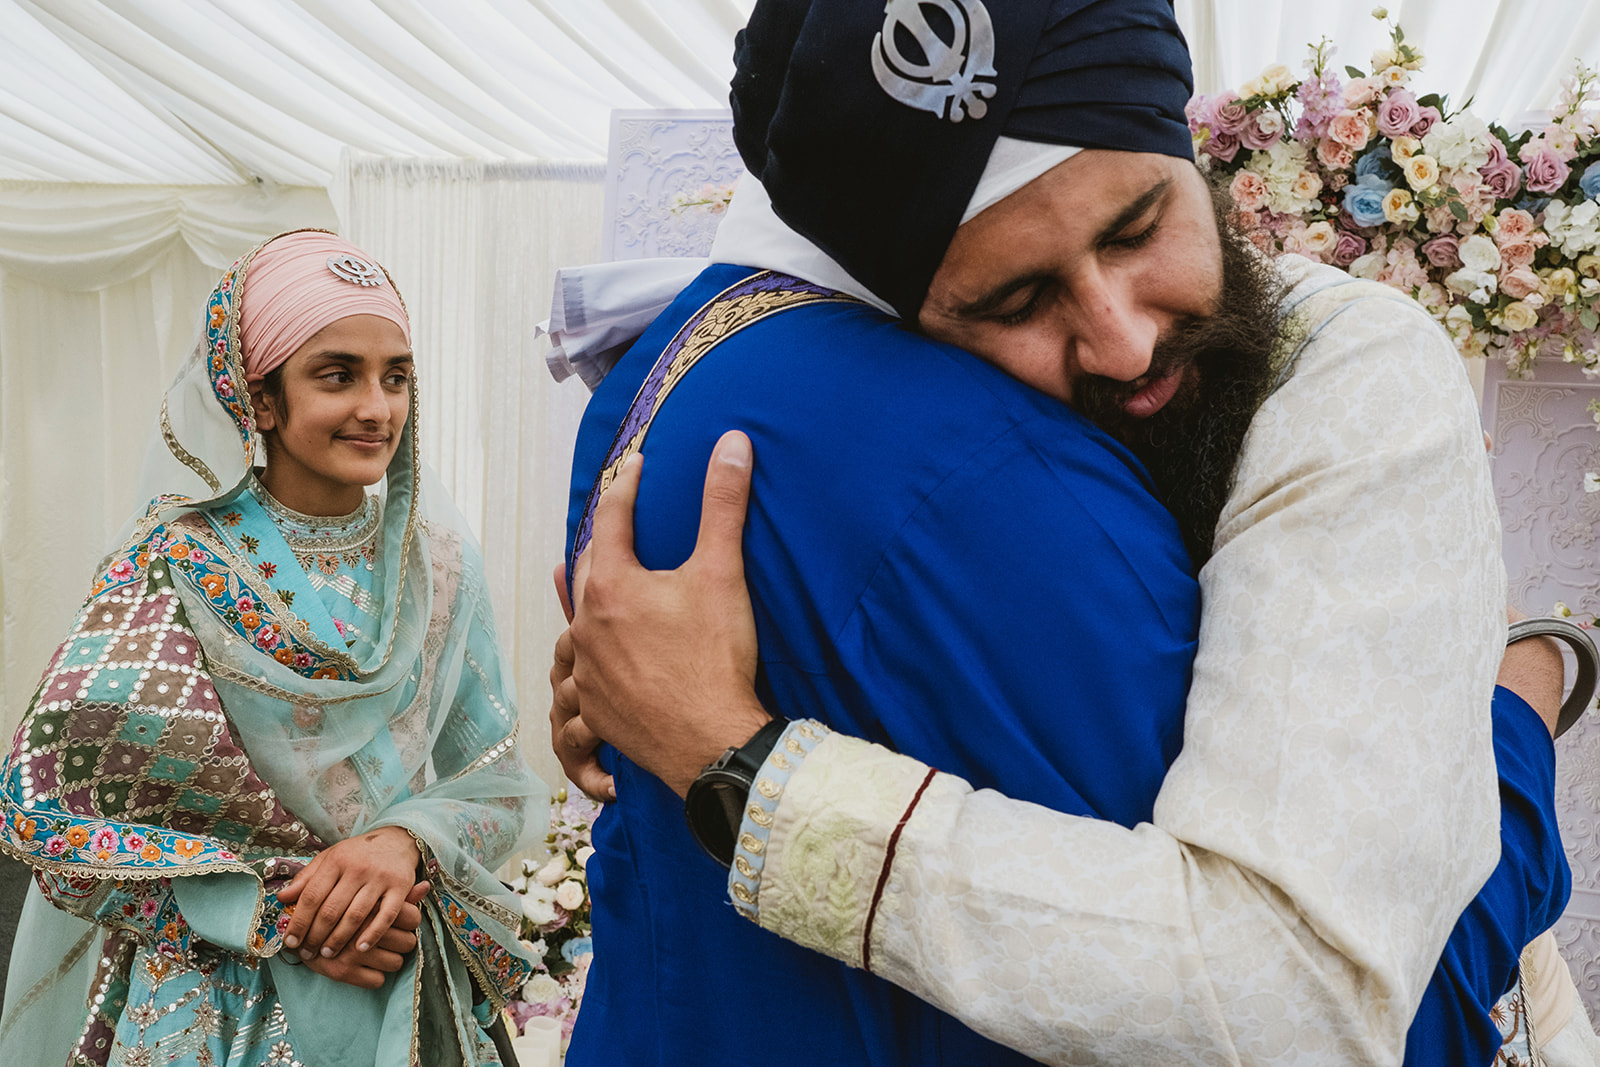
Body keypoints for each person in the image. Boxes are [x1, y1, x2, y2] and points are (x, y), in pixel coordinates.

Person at [547, 2, 1582, 1065]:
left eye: (1137, 227)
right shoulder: (947, 443)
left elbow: (1298, 998)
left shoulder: (1350, 377)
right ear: (907, 321)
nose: (1123, 341)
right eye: (1016, 298)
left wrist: (742, 769)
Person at [0, 230, 545, 1067]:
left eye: (397, 375)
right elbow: (54, 816)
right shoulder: (174, 564)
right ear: (258, 399)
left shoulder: (438, 562)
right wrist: (277, 916)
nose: (378, 406)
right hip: (217, 998)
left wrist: (399, 843)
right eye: (338, 374)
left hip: (397, 972)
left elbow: (499, 777)